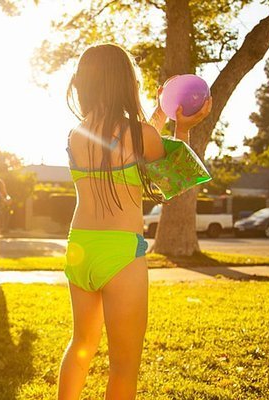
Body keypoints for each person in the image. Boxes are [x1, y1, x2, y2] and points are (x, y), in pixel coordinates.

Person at [58, 43, 212, 400]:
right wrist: (182, 126)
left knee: (80, 345)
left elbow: (131, 140)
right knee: (124, 365)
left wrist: (160, 116)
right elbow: (174, 178)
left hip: (81, 246)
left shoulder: (77, 135)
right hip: (121, 252)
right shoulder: (142, 135)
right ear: (125, 83)